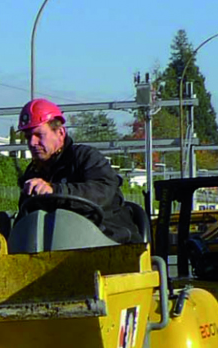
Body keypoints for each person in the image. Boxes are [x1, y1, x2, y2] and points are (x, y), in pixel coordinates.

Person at [14, 98, 140, 244]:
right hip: (57, 245)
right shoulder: (33, 173)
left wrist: (54, 190)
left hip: (109, 240)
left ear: (60, 133)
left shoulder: (86, 157)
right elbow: (25, 215)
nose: (32, 143)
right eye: (28, 137)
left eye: (39, 135)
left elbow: (104, 191)